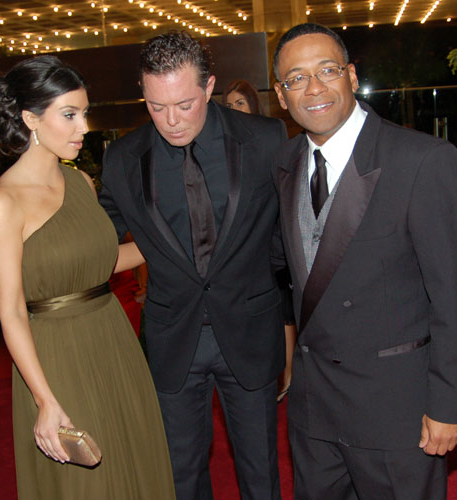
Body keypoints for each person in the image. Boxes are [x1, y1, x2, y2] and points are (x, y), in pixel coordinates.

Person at [272, 23, 457, 500]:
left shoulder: (422, 160)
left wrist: (452, 402)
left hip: (396, 411)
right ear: (281, 95)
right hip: (314, 412)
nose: (315, 89)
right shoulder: (285, 164)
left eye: (327, 70)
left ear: (350, 75)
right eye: (297, 78)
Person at [99, 32, 287, 500]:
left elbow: (290, 235)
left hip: (250, 330)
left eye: (184, 104)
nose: (171, 121)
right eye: (156, 106)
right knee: (179, 475)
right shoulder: (123, 159)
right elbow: (94, 243)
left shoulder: (265, 140)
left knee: (260, 472)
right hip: (172, 337)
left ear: (209, 88)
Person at [0, 55, 175, 499]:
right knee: (88, 484)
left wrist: (172, 240)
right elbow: (10, 311)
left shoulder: (81, 183)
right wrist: (45, 400)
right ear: (30, 118)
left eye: (84, 113)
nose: (83, 127)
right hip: (55, 357)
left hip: (113, 338)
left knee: (133, 461)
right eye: (69, 115)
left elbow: (98, 264)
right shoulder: (2, 204)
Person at [222, 79, 296, 401]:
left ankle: (289, 377)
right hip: (245, 249)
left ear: (254, 105)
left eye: (241, 103)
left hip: (275, 238)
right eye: (230, 105)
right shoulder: (223, 149)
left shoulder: (271, 138)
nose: (235, 110)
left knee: (284, 314)